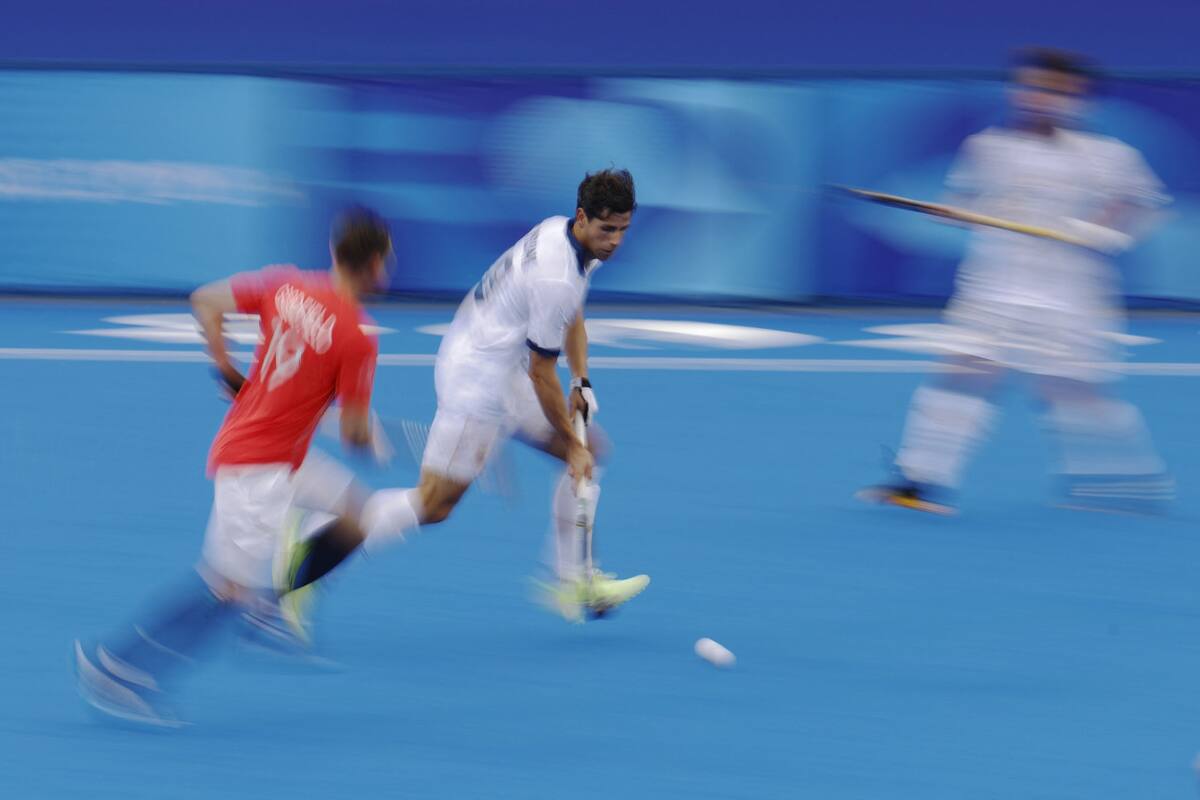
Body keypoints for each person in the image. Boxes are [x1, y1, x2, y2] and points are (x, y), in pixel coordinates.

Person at [284, 169, 649, 622]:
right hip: (479, 381)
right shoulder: (557, 275)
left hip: (501, 362)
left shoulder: (568, 235)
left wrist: (581, 381)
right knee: (435, 504)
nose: (614, 240)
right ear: (583, 217)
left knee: (592, 449)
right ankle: (320, 540)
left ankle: (573, 579)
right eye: (607, 229)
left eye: (622, 231)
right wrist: (570, 444)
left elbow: (571, 315)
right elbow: (541, 372)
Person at [74, 206, 392, 726]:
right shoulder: (357, 338)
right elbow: (355, 433)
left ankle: (269, 611)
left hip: (283, 454)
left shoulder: (284, 285)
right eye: (388, 260)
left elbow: (204, 300)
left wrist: (225, 368)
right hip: (257, 467)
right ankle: (117, 668)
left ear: (336, 253)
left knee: (357, 516)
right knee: (224, 590)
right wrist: (373, 440)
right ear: (376, 265)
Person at [859, 48, 1172, 515]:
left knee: (1068, 390)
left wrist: (1102, 230)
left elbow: (1142, 205)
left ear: (1079, 98)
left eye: (1052, 90)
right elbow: (965, 203)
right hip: (993, 286)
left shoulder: (1111, 156)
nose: (1037, 97)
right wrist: (951, 213)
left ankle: (1124, 478)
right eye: (1029, 87)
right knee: (963, 374)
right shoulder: (988, 147)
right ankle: (921, 480)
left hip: (1071, 293)